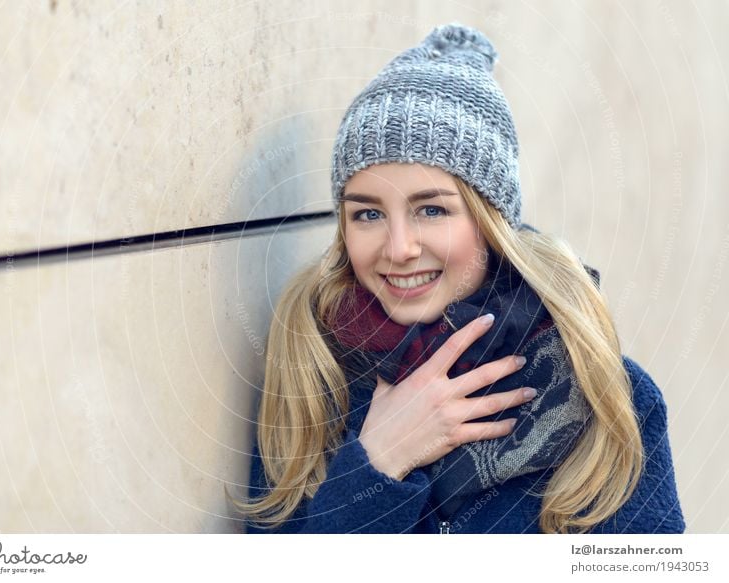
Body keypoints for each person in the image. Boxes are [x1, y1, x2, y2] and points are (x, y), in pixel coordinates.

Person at [229, 23, 685, 534]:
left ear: (490, 224)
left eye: (431, 210)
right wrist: (379, 461)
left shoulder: (603, 394)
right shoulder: (310, 381)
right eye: (368, 215)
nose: (399, 249)